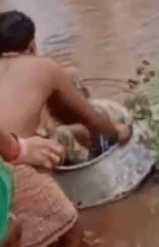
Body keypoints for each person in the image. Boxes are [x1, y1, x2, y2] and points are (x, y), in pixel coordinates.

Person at [0, 10, 131, 247]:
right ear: (31, 45)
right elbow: (93, 121)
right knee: (68, 228)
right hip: (12, 164)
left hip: (15, 147)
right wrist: (120, 132)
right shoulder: (43, 67)